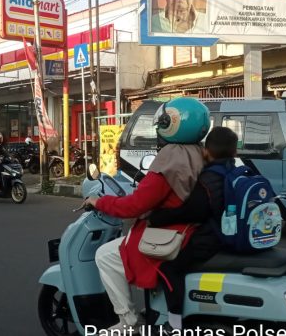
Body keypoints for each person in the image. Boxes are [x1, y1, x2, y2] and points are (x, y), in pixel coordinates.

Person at [83, 97, 210, 333]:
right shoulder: (198, 152)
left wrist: (99, 201)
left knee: (105, 255)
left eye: (162, 122)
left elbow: (134, 207)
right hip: (190, 229)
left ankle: (128, 321)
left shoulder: (170, 160)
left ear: (170, 124)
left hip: (170, 234)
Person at [146, 127, 238, 333]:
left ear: (206, 151)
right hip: (229, 234)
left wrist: (157, 217)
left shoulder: (209, 177)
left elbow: (193, 212)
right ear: (235, 152)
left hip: (211, 239)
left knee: (168, 267)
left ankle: (174, 323)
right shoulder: (236, 170)